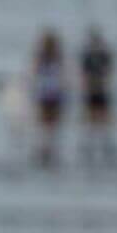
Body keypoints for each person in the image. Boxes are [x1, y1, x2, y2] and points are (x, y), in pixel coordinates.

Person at [29, 29, 67, 170]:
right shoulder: (41, 58)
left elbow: (62, 76)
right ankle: (44, 150)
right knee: (45, 124)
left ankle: (50, 150)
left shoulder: (58, 57)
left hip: (53, 94)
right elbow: (35, 74)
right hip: (45, 93)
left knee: (52, 125)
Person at [79, 28, 116, 168]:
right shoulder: (87, 57)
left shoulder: (104, 56)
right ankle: (89, 144)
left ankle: (105, 144)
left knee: (104, 119)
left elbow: (110, 72)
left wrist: (102, 82)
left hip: (102, 90)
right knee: (90, 118)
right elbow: (83, 75)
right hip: (91, 91)